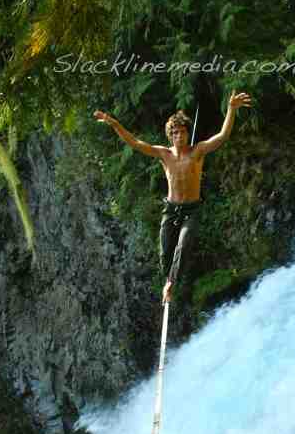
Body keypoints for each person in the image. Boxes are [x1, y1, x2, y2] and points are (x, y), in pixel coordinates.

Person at [94, 90, 252, 304]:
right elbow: (135, 143)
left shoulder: (198, 151)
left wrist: (231, 110)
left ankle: (170, 284)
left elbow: (222, 136)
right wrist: (115, 124)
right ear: (170, 135)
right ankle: (168, 279)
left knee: (184, 244)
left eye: (182, 132)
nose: (179, 136)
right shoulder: (164, 154)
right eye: (175, 133)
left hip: (192, 210)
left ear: (188, 134)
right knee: (164, 255)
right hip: (170, 209)